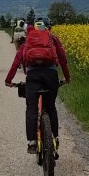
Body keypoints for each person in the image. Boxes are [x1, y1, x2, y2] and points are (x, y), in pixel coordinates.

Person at [4, 19, 71, 156]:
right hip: (51, 75)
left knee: (32, 108)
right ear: (47, 29)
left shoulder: (29, 39)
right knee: (51, 106)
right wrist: (67, 77)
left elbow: (17, 60)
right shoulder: (52, 38)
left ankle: (32, 142)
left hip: (33, 75)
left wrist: (9, 79)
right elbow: (62, 58)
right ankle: (55, 138)